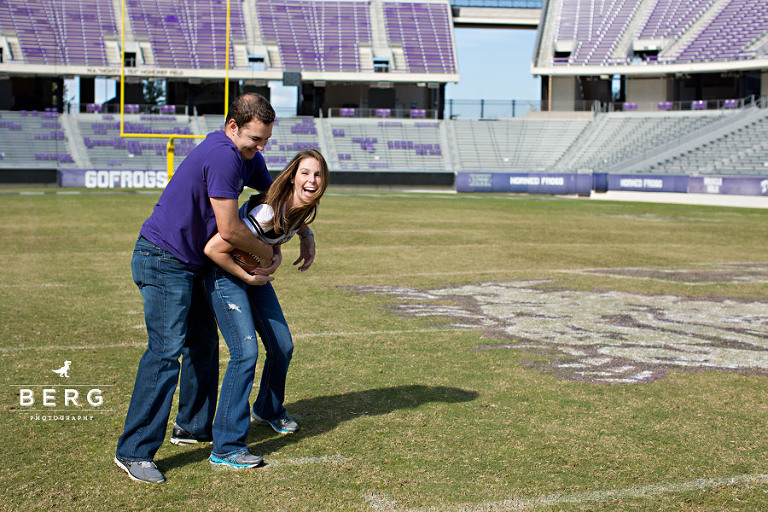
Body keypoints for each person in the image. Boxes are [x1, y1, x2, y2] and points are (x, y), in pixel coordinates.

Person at [114, 93, 316, 484]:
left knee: (202, 346)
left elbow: (279, 197)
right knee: (165, 352)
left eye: (266, 141)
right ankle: (135, 450)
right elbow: (230, 231)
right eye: (255, 140)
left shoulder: (246, 156)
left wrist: (305, 230)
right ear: (232, 127)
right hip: (163, 258)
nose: (260, 149)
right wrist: (268, 254)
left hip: (192, 263)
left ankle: (191, 426)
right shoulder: (224, 154)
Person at [202, 149, 329, 469]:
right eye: (305, 173)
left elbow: (295, 221)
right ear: (291, 176)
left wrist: (306, 235)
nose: (311, 180)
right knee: (245, 353)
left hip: (254, 275)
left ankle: (268, 409)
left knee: (282, 345)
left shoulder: (301, 208)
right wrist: (247, 275)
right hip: (226, 273)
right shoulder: (267, 213)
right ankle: (226, 446)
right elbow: (214, 248)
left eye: (317, 175)